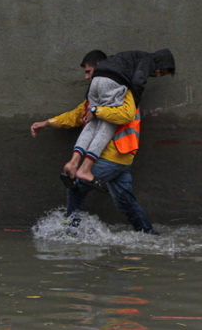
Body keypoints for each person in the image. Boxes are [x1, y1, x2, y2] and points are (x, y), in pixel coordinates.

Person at [30, 50, 165, 234]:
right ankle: (148, 235)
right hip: (121, 157)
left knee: (76, 185)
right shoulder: (100, 96)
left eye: (89, 72)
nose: (87, 78)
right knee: (126, 201)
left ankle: (71, 233)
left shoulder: (123, 92)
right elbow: (78, 115)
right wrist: (47, 123)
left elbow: (124, 115)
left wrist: (97, 110)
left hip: (113, 155)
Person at [62, 49, 175, 185]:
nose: (157, 74)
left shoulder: (123, 58)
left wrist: (89, 98)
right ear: (159, 62)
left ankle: (73, 162)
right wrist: (134, 101)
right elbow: (138, 80)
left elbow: (99, 78)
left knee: (92, 122)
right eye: (160, 71)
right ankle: (85, 168)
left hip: (96, 80)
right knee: (109, 123)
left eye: (162, 75)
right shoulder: (148, 59)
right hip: (112, 82)